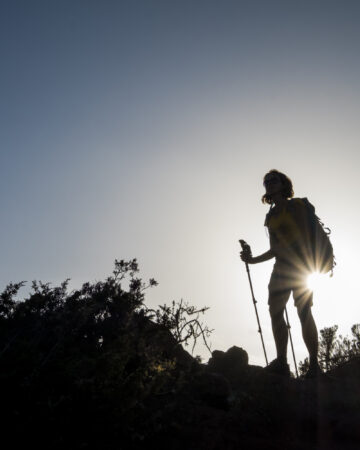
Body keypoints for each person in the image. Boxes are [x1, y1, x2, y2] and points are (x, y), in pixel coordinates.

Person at [240, 169, 321, 378]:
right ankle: (282, 362)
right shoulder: (271, 216)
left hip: (301, 265)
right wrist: (252, 259)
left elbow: (306, 237)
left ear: (284, 184)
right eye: (266, 181)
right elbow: (275, 248)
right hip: (281, 268)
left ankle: (314, 366)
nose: (269, 183)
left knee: (304, 312)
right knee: (275, 312)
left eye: (273, 180)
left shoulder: (297, 206)